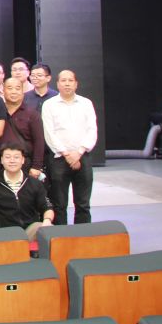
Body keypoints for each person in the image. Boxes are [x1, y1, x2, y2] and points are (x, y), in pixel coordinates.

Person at [41, 70, 97, 225]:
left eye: (70, 80)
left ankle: (83, 235)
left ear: (76, 84)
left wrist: (78, 153)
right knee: (59, 204)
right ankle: (61, 236)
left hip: (82, 157)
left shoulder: (86, 103)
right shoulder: (49, 105)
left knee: (83, 204)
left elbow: (92, 130)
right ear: (57, 84)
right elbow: (49, 133)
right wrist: (66, 153)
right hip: (59, 159)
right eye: (63, 80)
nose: (67, 84)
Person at [0, 143, 55, 240]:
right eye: (8, 157)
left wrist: (47, 221)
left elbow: (47, 207)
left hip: (29, 231)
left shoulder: (34, 183)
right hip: (2, 234)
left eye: (16, 157)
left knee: (48, 230)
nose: (12, 161)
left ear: (23, 160)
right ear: (1, 160)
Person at [2, 76, 47, 177]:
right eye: (10, 88)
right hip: (0, 163)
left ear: (23, 92)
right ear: (3, 91)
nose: (14, 91)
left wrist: (36, 166)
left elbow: (39, 141)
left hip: (25, 163)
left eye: (17, 88)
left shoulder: (32, 114)